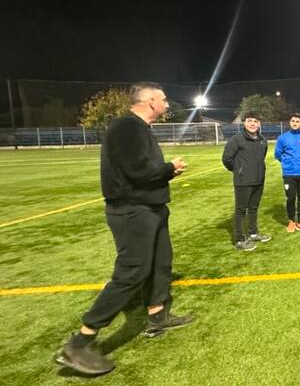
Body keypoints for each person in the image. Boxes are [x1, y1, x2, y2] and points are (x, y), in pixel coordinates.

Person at [56, 82, 192, 376]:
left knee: (160, 264)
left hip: (151, 208)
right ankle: (81, 341)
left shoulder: (140, 128)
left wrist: (166, 173)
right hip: (132, 211)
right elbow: (138, 172)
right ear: (150, 101)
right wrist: (170, 168)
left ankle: (157, 315)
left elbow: (142, 172)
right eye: (164, 99)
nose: (167, 104)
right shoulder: (127, 127)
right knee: (132, 272)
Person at [222, 111, 271, 251]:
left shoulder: (262, 140)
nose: (252, 124)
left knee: (254, 208)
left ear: (259, 124)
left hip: (259, 180)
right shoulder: (236, 139)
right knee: (240, 210)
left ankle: (253, 233)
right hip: (243, 181)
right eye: (249, 121)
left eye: (255, 121)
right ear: (244, 123)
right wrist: (239, 171)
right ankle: (239, 240)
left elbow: (262, 156)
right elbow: (226, 159)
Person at [274, 112, 300, 232]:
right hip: (289, 174)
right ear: (289, 123)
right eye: (293, 121)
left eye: (297, 121)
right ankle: (291, 221)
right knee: (291, 198)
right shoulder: (282, 138)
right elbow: (278, 154)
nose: (295, 123)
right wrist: (287, 164)